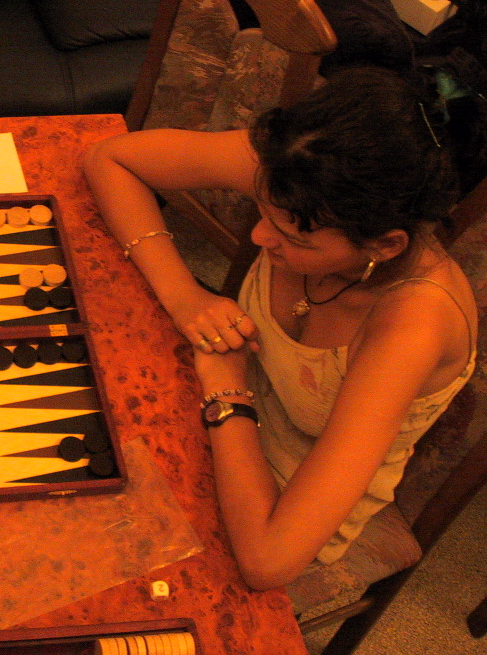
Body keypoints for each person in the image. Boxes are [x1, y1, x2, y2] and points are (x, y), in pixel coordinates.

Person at [83, 66, 477, 589]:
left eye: (294, 240)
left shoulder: (411, 326)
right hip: (208, 400)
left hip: (280, 492)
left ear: (385, 245)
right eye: (262, 210)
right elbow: (109, 159)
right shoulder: (298, 171)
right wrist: (184, 296)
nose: (258, 236)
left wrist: (227, 389)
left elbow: (269, 561)